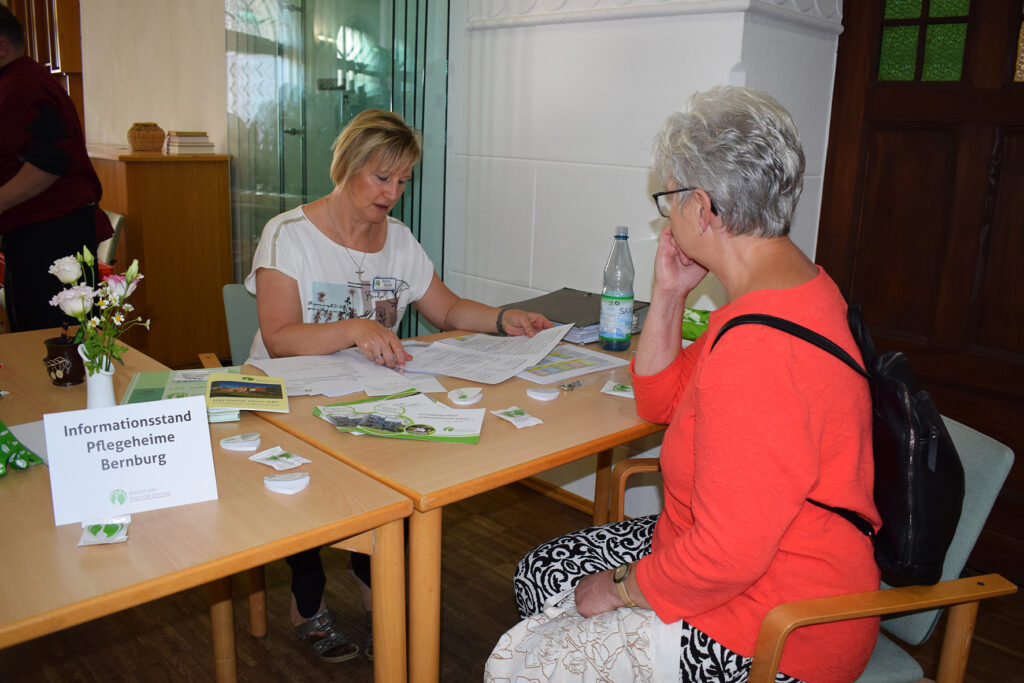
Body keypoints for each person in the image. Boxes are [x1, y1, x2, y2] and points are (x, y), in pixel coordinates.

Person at [486, 87, 880, 682]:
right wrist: (670, 293)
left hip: (779, 628)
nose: (666, 217)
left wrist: (620, 587)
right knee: (542, 574)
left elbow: (731, 554)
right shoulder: (782, 291)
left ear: (702, 207)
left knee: (523, 661)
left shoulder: (762, 346)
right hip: (741, 562)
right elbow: (661, 399)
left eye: (668, 201)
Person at [245, 108, 552, 662]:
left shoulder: (401, 240)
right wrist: (357, 327)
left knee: (392, 480)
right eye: (381, 177)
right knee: (310, 487)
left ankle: (374, 579)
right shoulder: (288, 234)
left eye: (403, 180)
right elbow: (281, 336)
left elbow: (448, 308)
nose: (392, 192)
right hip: (289, 396)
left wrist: (506, 318)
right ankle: (307, 598)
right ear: (346, 168)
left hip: (367, 395)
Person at [0, 6, 111, 331]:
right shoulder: (16, 81)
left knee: (55, 334)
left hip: (50, 237)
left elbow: (51, 161)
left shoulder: (23, 85)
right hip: (39, 233)